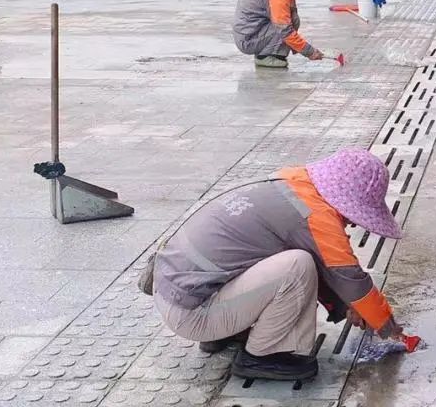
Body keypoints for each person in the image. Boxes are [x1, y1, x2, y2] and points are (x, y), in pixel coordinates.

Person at [152, 148, 406, 381]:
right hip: (193, 312)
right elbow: (349, 277)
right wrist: (387, 326)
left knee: (284, 259)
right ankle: (265, 355)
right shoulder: (316, 215)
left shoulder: (289, 183)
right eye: (354, 215)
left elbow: (327, 268)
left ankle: (224, 333)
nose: (351, 223)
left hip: (179, 292)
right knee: (297, 266)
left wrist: (347, 305)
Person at [233, 0, 324, 69]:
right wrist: (309, 51)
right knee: (287, 25)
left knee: (292, 18)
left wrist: (297, 47)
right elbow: (284, 30)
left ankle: (269, 52)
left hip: (252, 31)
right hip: (247, 39)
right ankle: (265, 56)